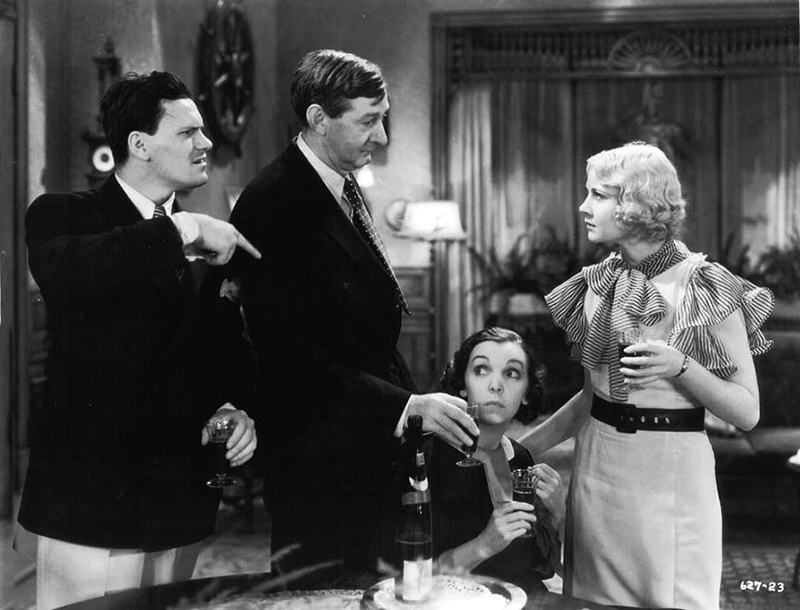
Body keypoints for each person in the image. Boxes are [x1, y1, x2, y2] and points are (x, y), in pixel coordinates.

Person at [18, 71, 261, 610]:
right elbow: (66, 269)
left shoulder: (213, 239)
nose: (205, 143)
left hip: (180, 498)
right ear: (140, 144)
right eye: (188, 132)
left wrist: (234, 406)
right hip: (90, 502)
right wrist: (183, 231)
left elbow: (225, 352)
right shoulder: (65, 214)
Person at [228, 49, 478, 572]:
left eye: (382, 118)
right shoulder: (274, 201)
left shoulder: (338, 181)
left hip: (360, 445)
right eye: (367, 121)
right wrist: (403, 406)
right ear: (319, 118)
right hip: (317, 461)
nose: (381, 137)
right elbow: (288, 355)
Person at [521, 141, 774, 609]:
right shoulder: (599, 284)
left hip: (670, 482)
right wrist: (516, 450)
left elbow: (747, 412)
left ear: (636, 204)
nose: (584, 206)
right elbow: (590, 398)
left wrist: (681, 367)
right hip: (597, 474)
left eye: (598, 195)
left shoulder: (703, 285)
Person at [423, 327, 564, 591]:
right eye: (481, 370)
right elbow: (409, 576)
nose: (496, 385)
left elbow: (532, 562)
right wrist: (484, 545)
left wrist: (557, 513)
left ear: (526, 394)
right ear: (462, 386)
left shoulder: (519, 457)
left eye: (512, 373)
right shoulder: (431, 456)